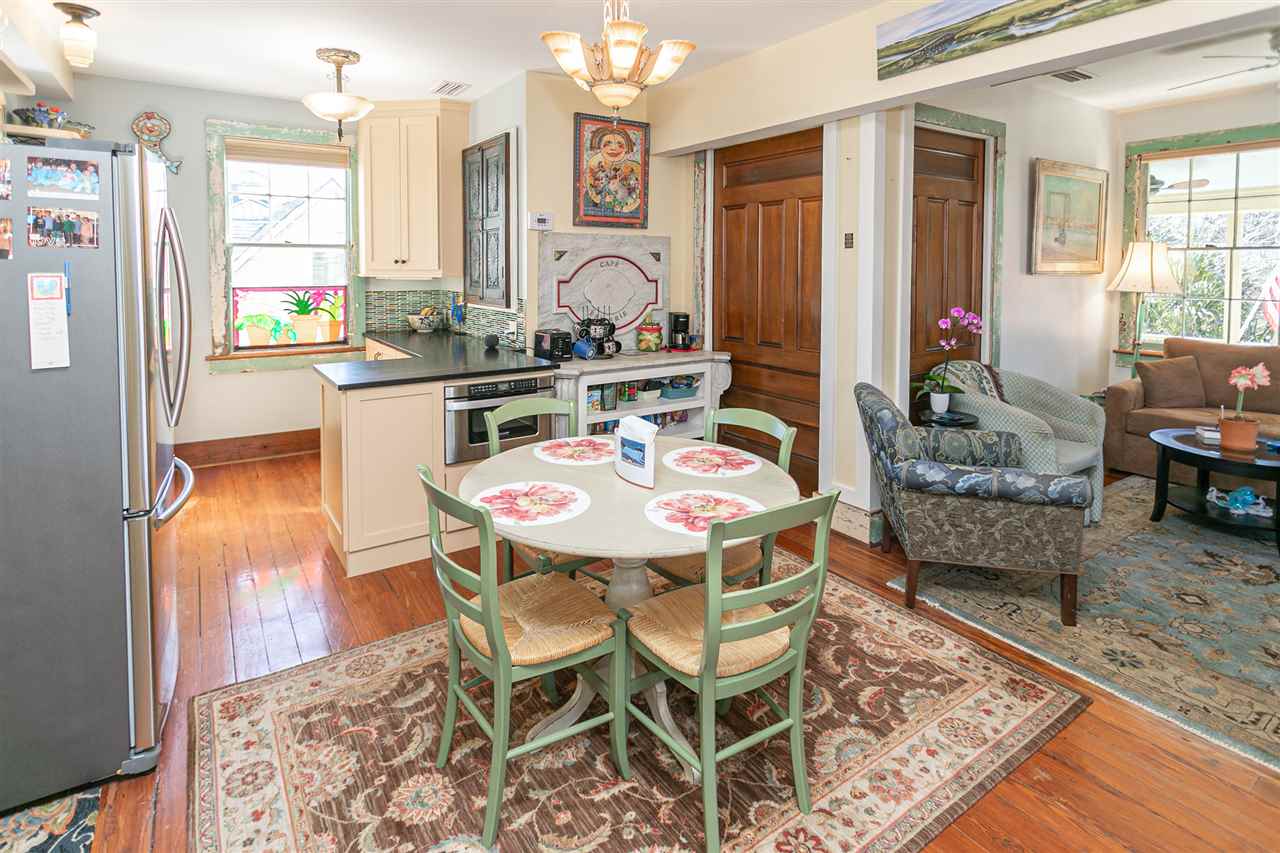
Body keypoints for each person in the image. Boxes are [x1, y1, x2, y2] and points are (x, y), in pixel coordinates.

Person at [583, 125, 643, 215]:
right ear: (600, 147)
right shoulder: (595, 168)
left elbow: (635, 199)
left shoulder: (632, 169)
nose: (614, 148)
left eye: (620, 145)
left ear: (627, 149)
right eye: (607, 144)